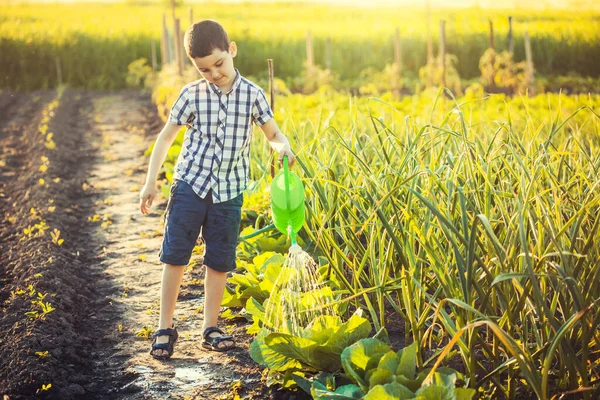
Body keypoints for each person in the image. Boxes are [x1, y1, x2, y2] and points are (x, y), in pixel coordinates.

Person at [139, 19, 296, 358]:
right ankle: (165, 326)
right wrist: (151, 180)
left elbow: (273, 135)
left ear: (232, 50)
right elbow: (166, 136)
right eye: (204, 69)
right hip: (189, 186)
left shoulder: (253, 95)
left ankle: (210, 326)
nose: (214, 74)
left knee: (220, 261)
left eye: (219, 64)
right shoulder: (191, 94)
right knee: (175, 255)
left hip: (229, 191)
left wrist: (282, 148)